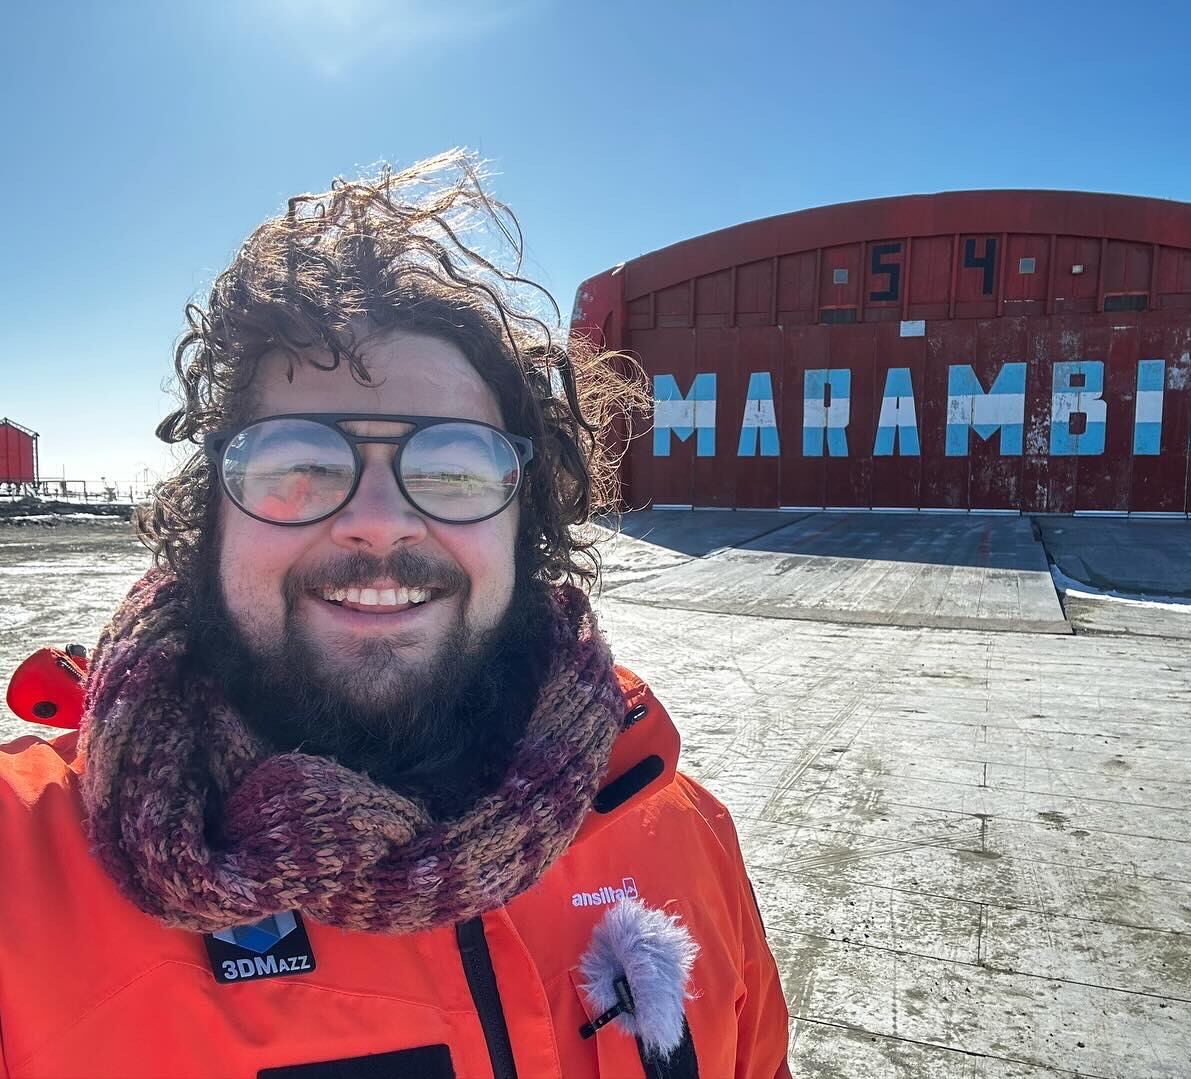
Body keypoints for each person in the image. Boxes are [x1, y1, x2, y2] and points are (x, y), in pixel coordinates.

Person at [0, 152, 792, 1079]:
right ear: (210, 516)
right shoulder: (24, 878)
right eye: (299, 461)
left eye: (454, 465)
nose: (376, 521)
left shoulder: (679, 835)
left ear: (525, 517)